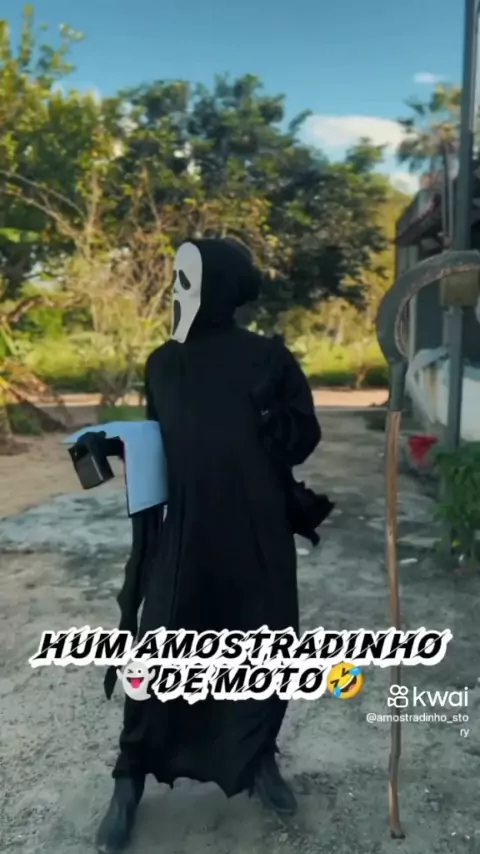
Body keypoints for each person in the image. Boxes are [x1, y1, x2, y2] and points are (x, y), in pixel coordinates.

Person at [96, 237, 322, 853]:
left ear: (215, 286)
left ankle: (257, 757)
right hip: (186, 530)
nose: (173, 291)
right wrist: (112, 446)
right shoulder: (163, 364)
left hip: (255, 531)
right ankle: (128, 777)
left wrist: (273, 418)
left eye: (184, 279)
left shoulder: (269, 359)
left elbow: (303, 438)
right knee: (161, 646)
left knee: (261, 647)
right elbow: (157, 441)